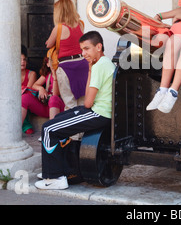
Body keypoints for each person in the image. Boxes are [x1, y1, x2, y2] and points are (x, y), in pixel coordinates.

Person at [35, 31, 115, 190]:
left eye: (87, 49)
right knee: (55, 122)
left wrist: (93, 69)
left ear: (98, 47)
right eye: (82, 49)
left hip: (97, 113)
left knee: (49, 129)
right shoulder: (102, 63)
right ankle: (55, 169)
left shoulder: (101, 65)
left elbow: (87, 102)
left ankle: (55, 177)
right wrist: (90, 69)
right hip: (98, 111)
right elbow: (88, 98)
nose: (83, 53)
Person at [45, 0, 89, 110]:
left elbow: (49, 44)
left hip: (66, 67)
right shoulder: (80, 24)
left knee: (70, 103)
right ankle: (82, 126)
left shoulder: (59, 28)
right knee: (83, 102)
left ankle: (72, 126)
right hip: (82, 64)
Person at [22, 57, 65, 125]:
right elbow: (34, 85)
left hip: (58, 107)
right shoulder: (48, 74)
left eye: (56, 61)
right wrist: (41, 89)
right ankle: (15, 131)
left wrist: (55, 77)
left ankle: (52, 132)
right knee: (24, 98)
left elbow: (56, 94)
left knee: (54, 99)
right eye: (52, 61)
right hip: (47, 105)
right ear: (48, 64)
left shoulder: (62, 74)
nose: (54, 63)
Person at [21, 45, 37, 134]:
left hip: (28, 100)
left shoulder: (31, 74)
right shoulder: (12, 74)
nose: (22, 62)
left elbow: (27, 90)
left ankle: (25, 125)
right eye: (20, 60)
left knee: (23, 98)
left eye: (24, 59)